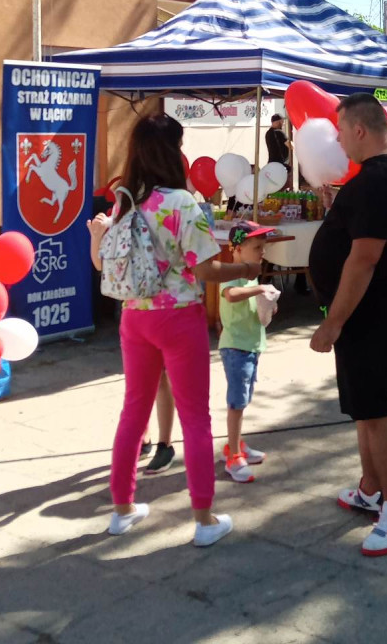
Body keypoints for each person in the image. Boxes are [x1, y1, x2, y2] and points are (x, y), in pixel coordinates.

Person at [87, 114, 260, 547]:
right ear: (174, 151)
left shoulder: (124, 202)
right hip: (179, 318)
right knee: (195, 418)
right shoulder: (182, 203)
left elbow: (106, 263)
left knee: (133, 412)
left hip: (134, 318)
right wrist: (246, 267)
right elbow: (204, 268)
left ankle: (122, 510)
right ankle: (203, 519)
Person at [309, 93, 387, 556]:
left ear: (360, 130)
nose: (337, 141)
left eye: (341, 132)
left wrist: (333, 322)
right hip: (374, 300)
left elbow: (363, 259)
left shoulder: (380, 179)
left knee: (376, 406)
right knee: (363, 403)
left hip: (370, 305)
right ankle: (371, 488)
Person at [219, 221, 280, 483]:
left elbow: (253, 308)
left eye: (263, 247)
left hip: (251, 346)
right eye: (256, 247)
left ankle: (236, 445)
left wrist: (268, 307)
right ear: (238, 249)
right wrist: (259, 289)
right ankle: (233, 455)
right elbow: (231, 294)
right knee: (237, 403)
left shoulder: (252, 276)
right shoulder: (233, 274)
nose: (262, 252)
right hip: (236, 348)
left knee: (243, 400)